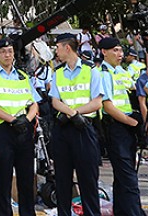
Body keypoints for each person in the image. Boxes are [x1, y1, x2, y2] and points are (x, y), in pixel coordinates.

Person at [0, 38, 41, 216]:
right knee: (4, 178)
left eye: (10, 51)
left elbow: (34, 104)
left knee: (26, 177)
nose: (8, 55)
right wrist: (12, 120)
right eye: (3, 51)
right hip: (4, 130)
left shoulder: (23, 76)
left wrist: (26, 120)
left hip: (24, 130)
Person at [49, 34, 103, 216]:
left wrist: (74, 113)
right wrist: (72, 114)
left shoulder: (91, 70)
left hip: (84, 128)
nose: (56, 51)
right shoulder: (57, 72)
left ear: (67, 48)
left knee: (88, 179)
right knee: (63, 179)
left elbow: (97, 102)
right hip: (63, 128)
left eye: (57, 47)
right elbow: (55, 102)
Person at [98, 36, 144, 216]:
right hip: (116, 126)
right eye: (115, 50)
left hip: (126, 126)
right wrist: (133, 122)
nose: (120, 54)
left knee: (124, 175)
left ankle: (122, 211)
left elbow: (134, 88)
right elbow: (108, 106)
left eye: (121, 50)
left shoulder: (120, 71)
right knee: (128, 177)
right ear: (104, 52)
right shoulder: (103, 73)